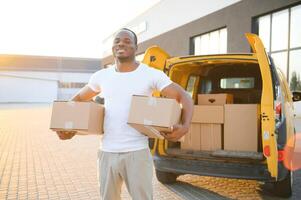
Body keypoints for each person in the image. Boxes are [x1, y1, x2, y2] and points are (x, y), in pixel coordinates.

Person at [56, 28, 193, 200]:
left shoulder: (150, 74)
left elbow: (184, 97)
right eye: (117, 41)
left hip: (137, 153)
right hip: (106, 153)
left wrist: (185, 125)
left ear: (136, 47)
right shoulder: (101, 76)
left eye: (127, 41)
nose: (121, 43)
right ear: (113, 48)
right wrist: (70, 129)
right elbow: (77, 100)